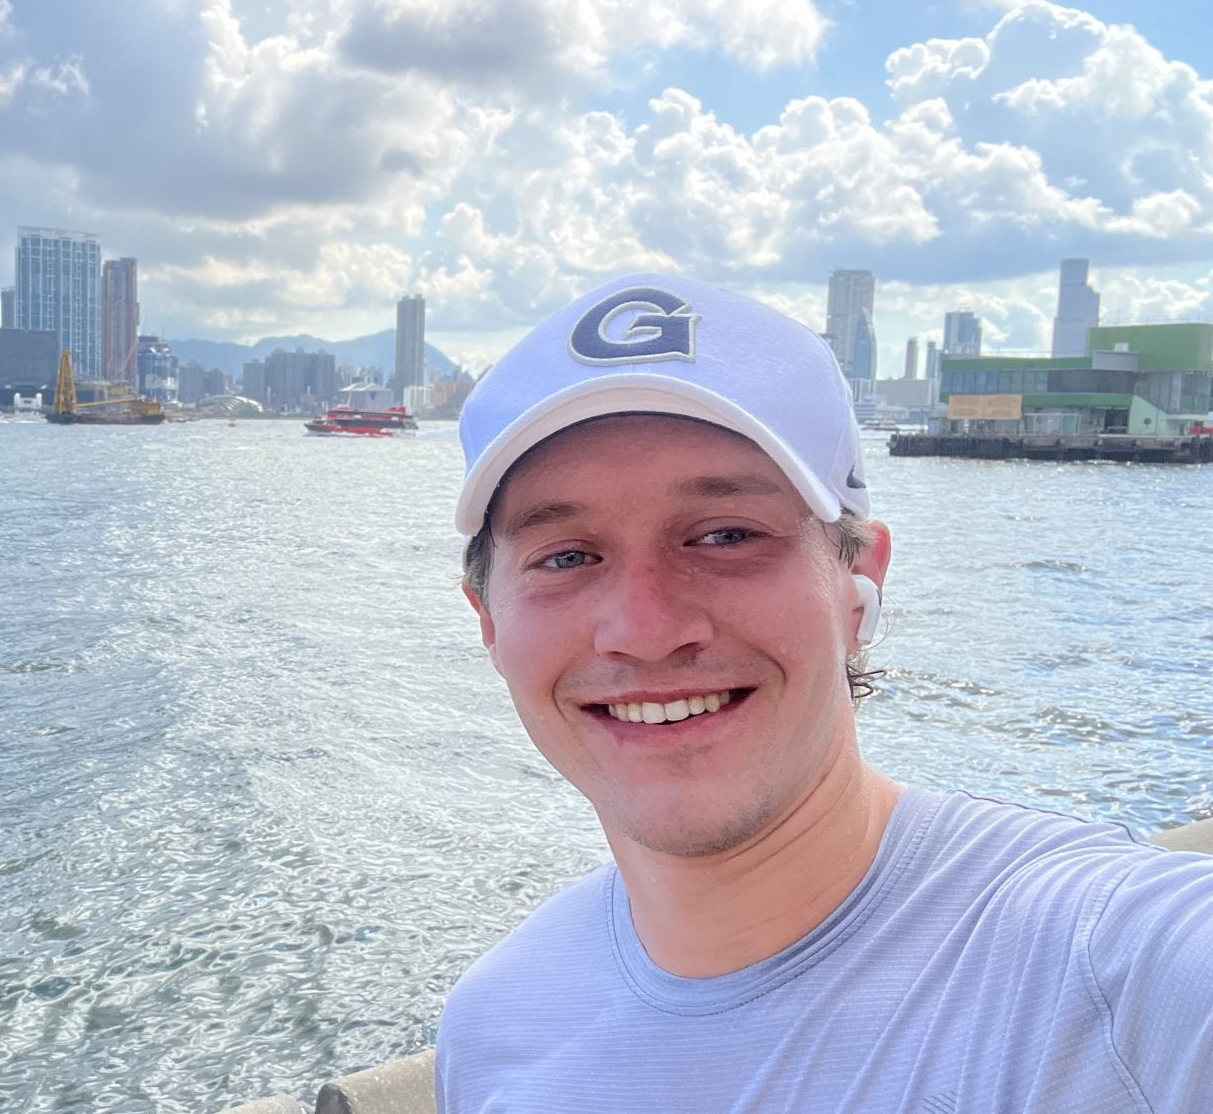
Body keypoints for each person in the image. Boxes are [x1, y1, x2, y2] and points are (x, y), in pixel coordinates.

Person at [435, 273, 1213, 1112]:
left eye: (727, 535)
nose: (646, 626)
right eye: (565, 555)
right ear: (487, 618)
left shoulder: (1116, 972)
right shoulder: (493, 1027)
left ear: (858, 581)